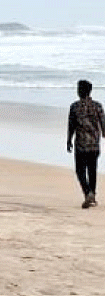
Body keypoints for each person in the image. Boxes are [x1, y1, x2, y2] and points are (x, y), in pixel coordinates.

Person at [67, 80, 105, 208]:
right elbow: (103, 125)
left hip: (81, 145)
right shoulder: (98, 106)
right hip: (94, 144)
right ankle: (92, 196)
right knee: (92, 170)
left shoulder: (74, 107)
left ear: (80, 91)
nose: (78, 91)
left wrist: (69, 140)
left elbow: (71, 125)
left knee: (80, 170)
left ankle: (88, 193)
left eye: (79, 88)